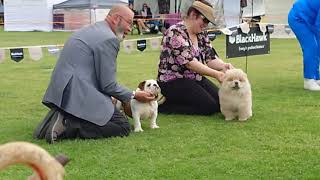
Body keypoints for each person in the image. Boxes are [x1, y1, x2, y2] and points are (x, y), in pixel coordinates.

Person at [33, 4, 155, 144]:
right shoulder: (109, 39)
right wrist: (134, 95)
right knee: (121, 125)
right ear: (116, 19)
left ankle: (62, 116)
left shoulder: (92, 29)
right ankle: (67, 125)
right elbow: (108, 85)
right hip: (78, 92)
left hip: (63, 91)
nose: (130, 28)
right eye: (129, 22)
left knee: (109, 112)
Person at [156, 0, 234, 115]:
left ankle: (180, 100)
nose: (206, 24)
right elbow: (189, 63)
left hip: (194, 78)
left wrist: (223, 66)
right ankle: (164, 106)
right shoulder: (175, 32)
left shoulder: (201, 34)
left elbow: (211, 58)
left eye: (208, 22)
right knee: (209, 107)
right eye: (205, 20)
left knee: (221, 103)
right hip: (173, 81)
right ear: (193, 14)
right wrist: (216, 74)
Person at [288, 0, 320, 91]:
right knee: (311, 47)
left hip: (310, 19)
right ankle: (309, 80)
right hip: (298, 18)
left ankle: (316, 78)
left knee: (317, 48)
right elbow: (319, 26)